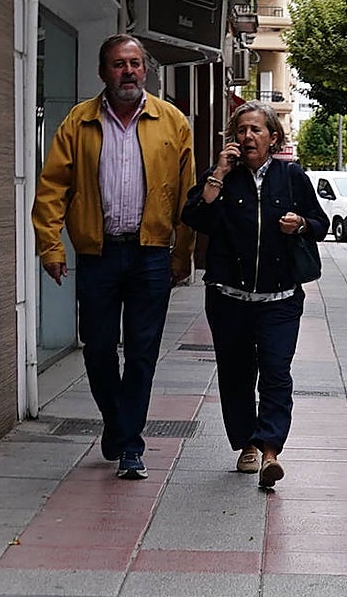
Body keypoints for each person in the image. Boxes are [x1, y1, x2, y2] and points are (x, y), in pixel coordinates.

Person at [31, 34, 195, 480]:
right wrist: (51, 246)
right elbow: (51, 190)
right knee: (98, 348)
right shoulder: (77, 122)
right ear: (103, 72)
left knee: (142, 353)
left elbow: (187, 196)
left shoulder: (172, 122)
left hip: (150, 256)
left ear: (145, 70)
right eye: (119, 64)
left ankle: (130, 445)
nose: (128, 72)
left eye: (136, 64)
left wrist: (183, 254)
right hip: (99, 254)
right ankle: (117, 423)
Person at [181, 103, 328, 488]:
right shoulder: (222, 178)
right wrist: (217, 174)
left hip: (279, 299)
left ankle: (270, 451)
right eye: (241, 130)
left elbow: (320, 225)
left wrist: (299, 225)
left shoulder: (292, 176)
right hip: (228, 298)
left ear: (273, 138)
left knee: (277, 374)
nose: (247, 137)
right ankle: (246, 442)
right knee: (236, 375)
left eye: (255, 130)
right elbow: (195, 217)